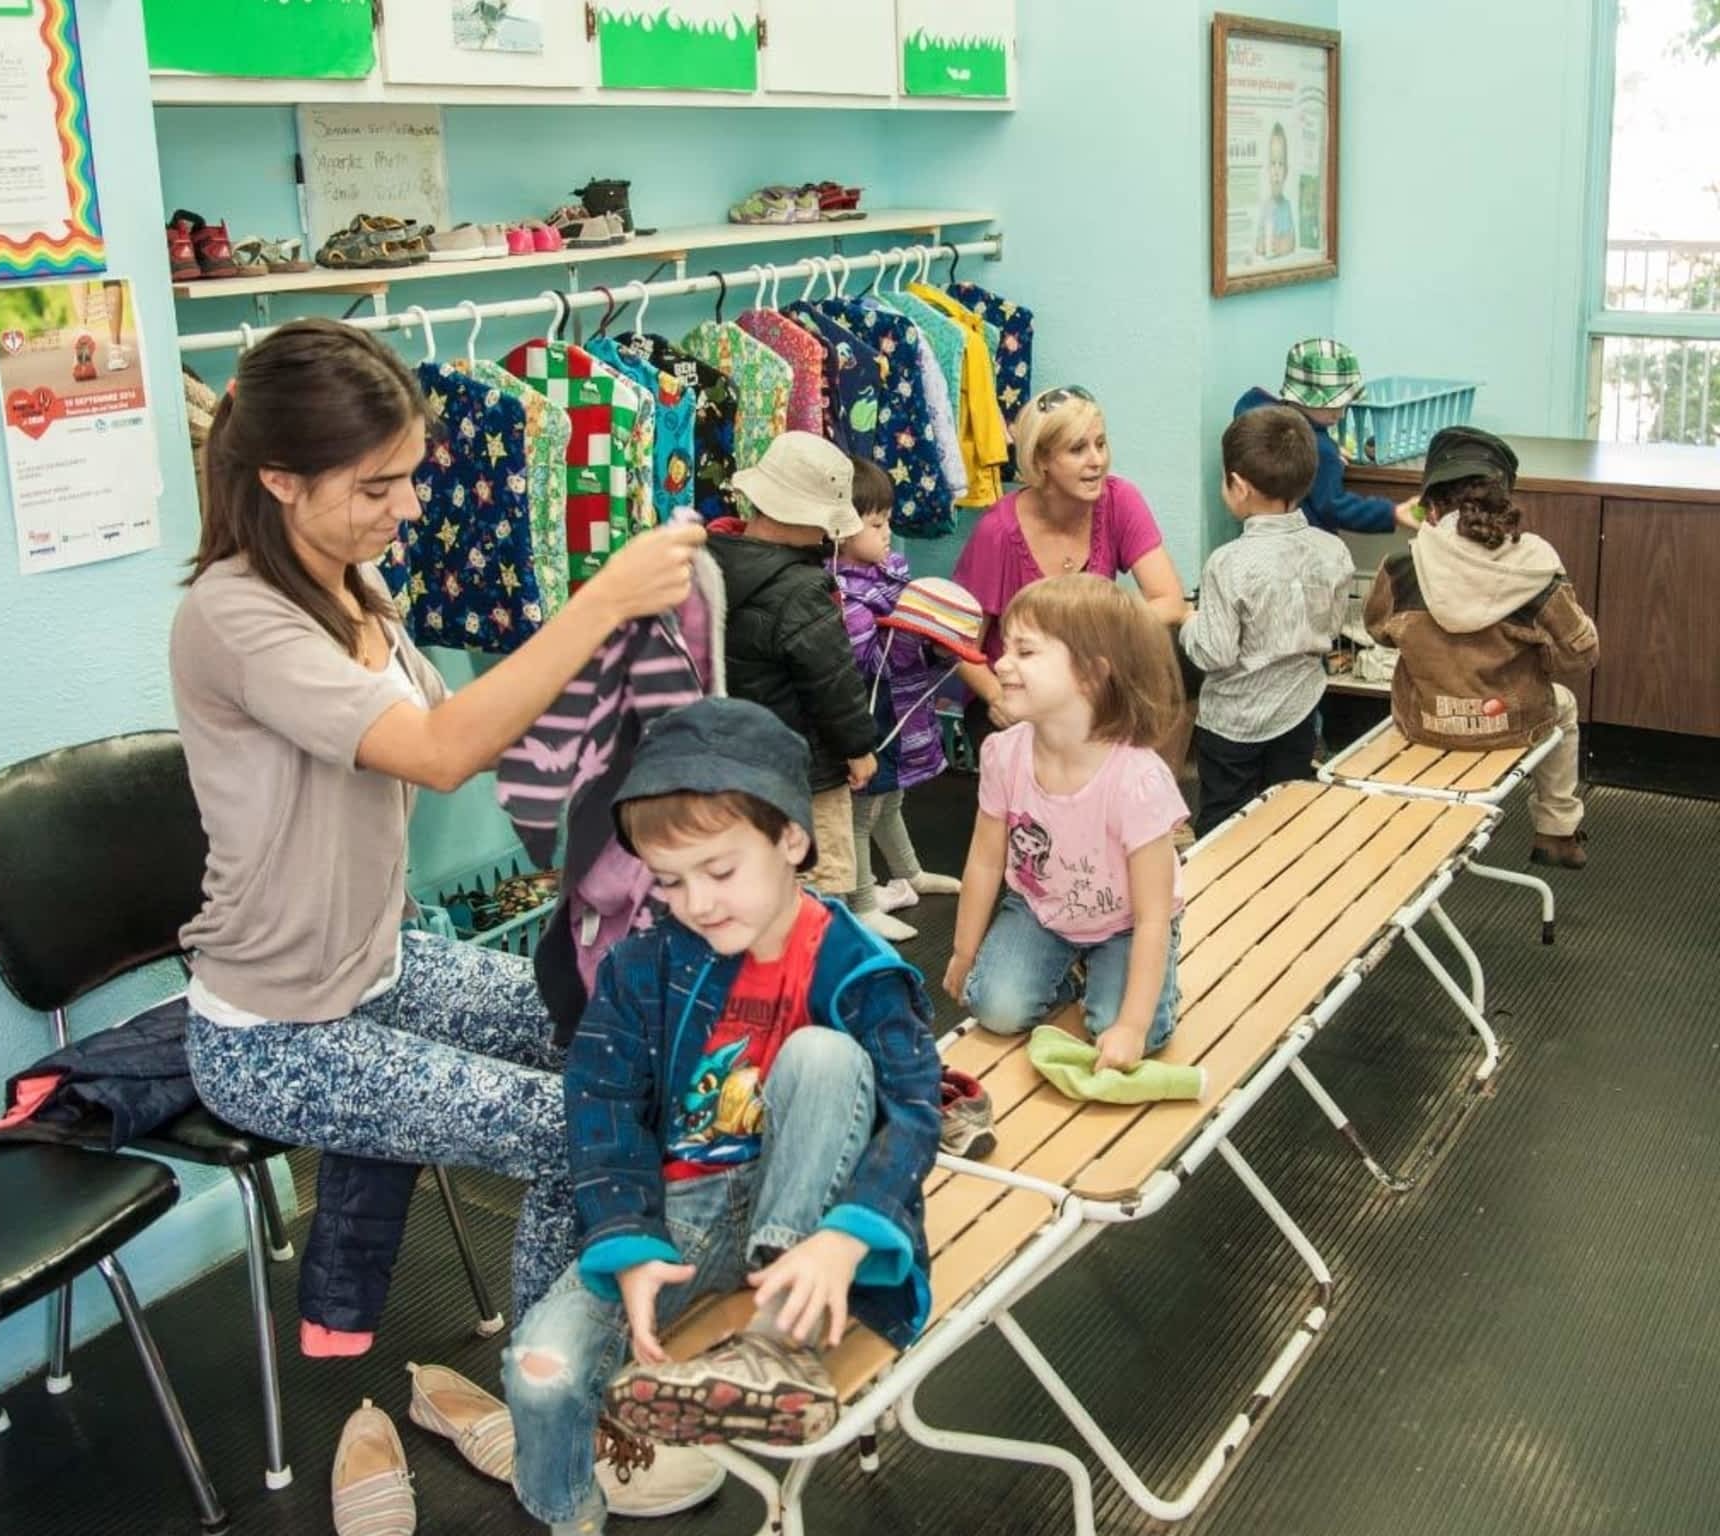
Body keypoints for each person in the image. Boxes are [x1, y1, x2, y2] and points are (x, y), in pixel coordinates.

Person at [170, 318, 719, 1515]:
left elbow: (481, 723)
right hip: (273, 1031)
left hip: (376, 967)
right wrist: (597, 599)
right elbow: (438, 750)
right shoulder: (233, 614)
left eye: (411, 474)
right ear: (277, 481)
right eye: (378, 484)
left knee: (609, 1056)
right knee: (578, 1135)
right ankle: (556, 1432)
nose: (407, 508)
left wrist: (631, 677)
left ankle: (576, 1381)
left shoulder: (345, 583)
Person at [503, 698, 940, 1536]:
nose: (695, 901)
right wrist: (627, 1245)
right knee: (538, 1369)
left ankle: (776, 1345)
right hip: (682, 1223)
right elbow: (599, 1101)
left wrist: (845, 1236)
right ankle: (570, 1515)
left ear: (790, 839)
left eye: (719, 870)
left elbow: (916, 1111)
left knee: (825, 1056)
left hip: (810, 1230)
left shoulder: (859, 968)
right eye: (668, 881)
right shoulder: (643, 965)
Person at [944, 576, 1189, 1072]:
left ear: (1091, 676)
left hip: (1126, 923)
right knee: (995, 1007)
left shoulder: (1136, 782)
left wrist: (1134, 1026)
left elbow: (1151, 917)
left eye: (1026, 652)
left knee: (1125, 1033)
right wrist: (963, 952)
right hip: (1041, 908)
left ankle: (1134, 985)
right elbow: (986, 860)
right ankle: (1074, 972)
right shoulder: (1004, 754)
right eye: (1005, 647)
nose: (1001, 663)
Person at [1363, 427, 1598, 868]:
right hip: (1512, 723)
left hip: (1425, 722)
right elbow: (1582, 654)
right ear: (1502, 503)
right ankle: (1556, 829)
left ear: (1430, 507)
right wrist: (1540, 654)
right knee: (1563, 707)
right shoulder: (1535, 565)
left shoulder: (1401, 566)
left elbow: (1377, 629)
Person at [952, 386, 1187, 740]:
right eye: (1078, 449)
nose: (1097, 460)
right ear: (1041, 460)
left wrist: (1097, 634)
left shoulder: (1120, 499)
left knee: (1175, 659)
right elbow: (960, 645)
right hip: (1018, 689)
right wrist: (999, 696)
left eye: (1101, 444)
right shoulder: (997, 532)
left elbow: (1170, 601)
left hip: (1088, 682)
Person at [705, 432, 880, 897]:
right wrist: (858, 748)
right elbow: (833, 683)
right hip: (803, 773)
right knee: (816, 893)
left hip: (727, 767)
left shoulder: (708, 561)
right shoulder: (804, 592)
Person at [1180, 406, 1354, 835]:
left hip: (1233, 725)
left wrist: (1188, 621)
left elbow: (1214, 652)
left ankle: (1220, 896)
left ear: (1237, 486)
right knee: (1283, 817)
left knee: (1223, 824)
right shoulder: (1333, 551)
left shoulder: (1228, 563)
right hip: (1298, 710)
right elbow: (1332, 629)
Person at [833, 458, 968, 944]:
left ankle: (908, 873)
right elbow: (867, 659)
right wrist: (915, 632)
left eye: (887, 520)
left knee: (893, 798)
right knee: (864, 808)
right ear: (842, 531)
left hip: (900, 707)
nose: (887, 533)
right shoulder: (846, 595)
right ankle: (863, 902)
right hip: (874, 715)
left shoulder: (886, 577)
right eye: (876, 524)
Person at [1235, 339, 1421, 535]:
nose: (1339, 414)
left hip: (1259, 534)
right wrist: (1392, 513)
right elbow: (1334, 508)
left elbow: (1250, 401)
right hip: (1305, 543)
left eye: (1344, 405)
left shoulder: (1258, 419)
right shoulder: (1320, 450)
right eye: (1333, 406)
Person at [1252, 121, 1297, 260]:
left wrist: (1281, 244)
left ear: (1286, 171)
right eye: (1273, 163)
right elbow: (1258, 244)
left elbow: (1291, 242)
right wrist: (1263, 245)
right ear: (1267, 169)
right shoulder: (1264, 206)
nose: (1276, 170)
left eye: (1281, 164)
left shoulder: (1287, 207)